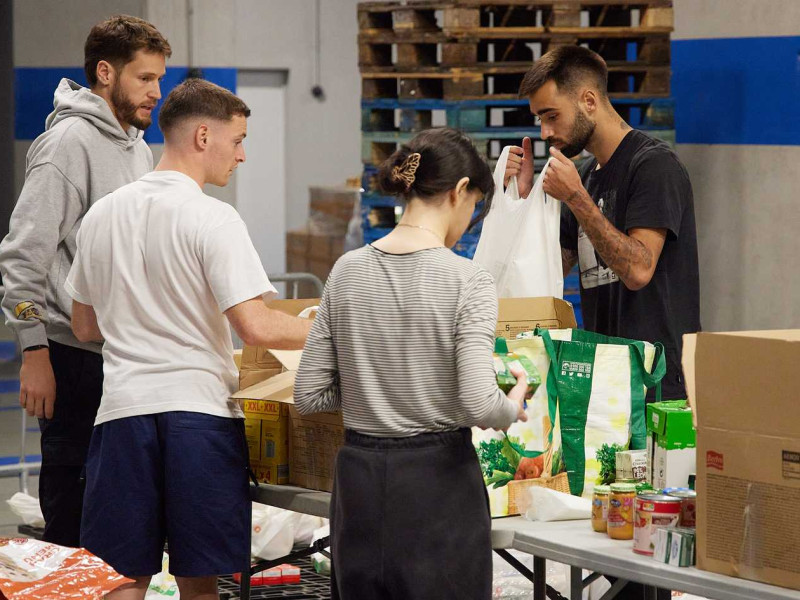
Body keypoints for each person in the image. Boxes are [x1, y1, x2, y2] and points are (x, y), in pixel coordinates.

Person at [64, 78, 312, 600]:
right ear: (203, 136)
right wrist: (332, 329)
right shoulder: (213, 217)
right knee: (198, 581)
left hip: (122, 413)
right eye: (238, 139)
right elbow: (258, 327)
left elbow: (84, 326)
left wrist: (139, 318)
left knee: (121, 577)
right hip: (196, 416)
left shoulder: (101, 215)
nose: (241, 155)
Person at [294, 127, 530, 600]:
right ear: (460, 191)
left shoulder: (346, 269)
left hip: (358, 481)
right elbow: (479, 403)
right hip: (436, 485)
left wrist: (374, 382)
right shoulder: (468, 280)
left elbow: (309, 395)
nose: (470, 222)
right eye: (474, 208)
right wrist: (514, 402)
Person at [0, 15, 171, 547]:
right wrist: (34, 354)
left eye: (159, 80)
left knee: (120, 514)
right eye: (145, 79)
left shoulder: (138, 147)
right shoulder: (67, 145)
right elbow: (21, 259)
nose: (156, 93)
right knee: (72, 516)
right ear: (105, 72)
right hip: (69, 359)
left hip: (122, 358)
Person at [505, 45, 700, 401]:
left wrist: (578, 199)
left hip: (656, 383)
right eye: (540, 120)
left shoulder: (653, 166)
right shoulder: (584, 175)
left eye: (551, 116)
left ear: (589, 101)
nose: (546, 132)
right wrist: (520, 206)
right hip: (604, 378)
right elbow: (549, 270)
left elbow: (639, 270)